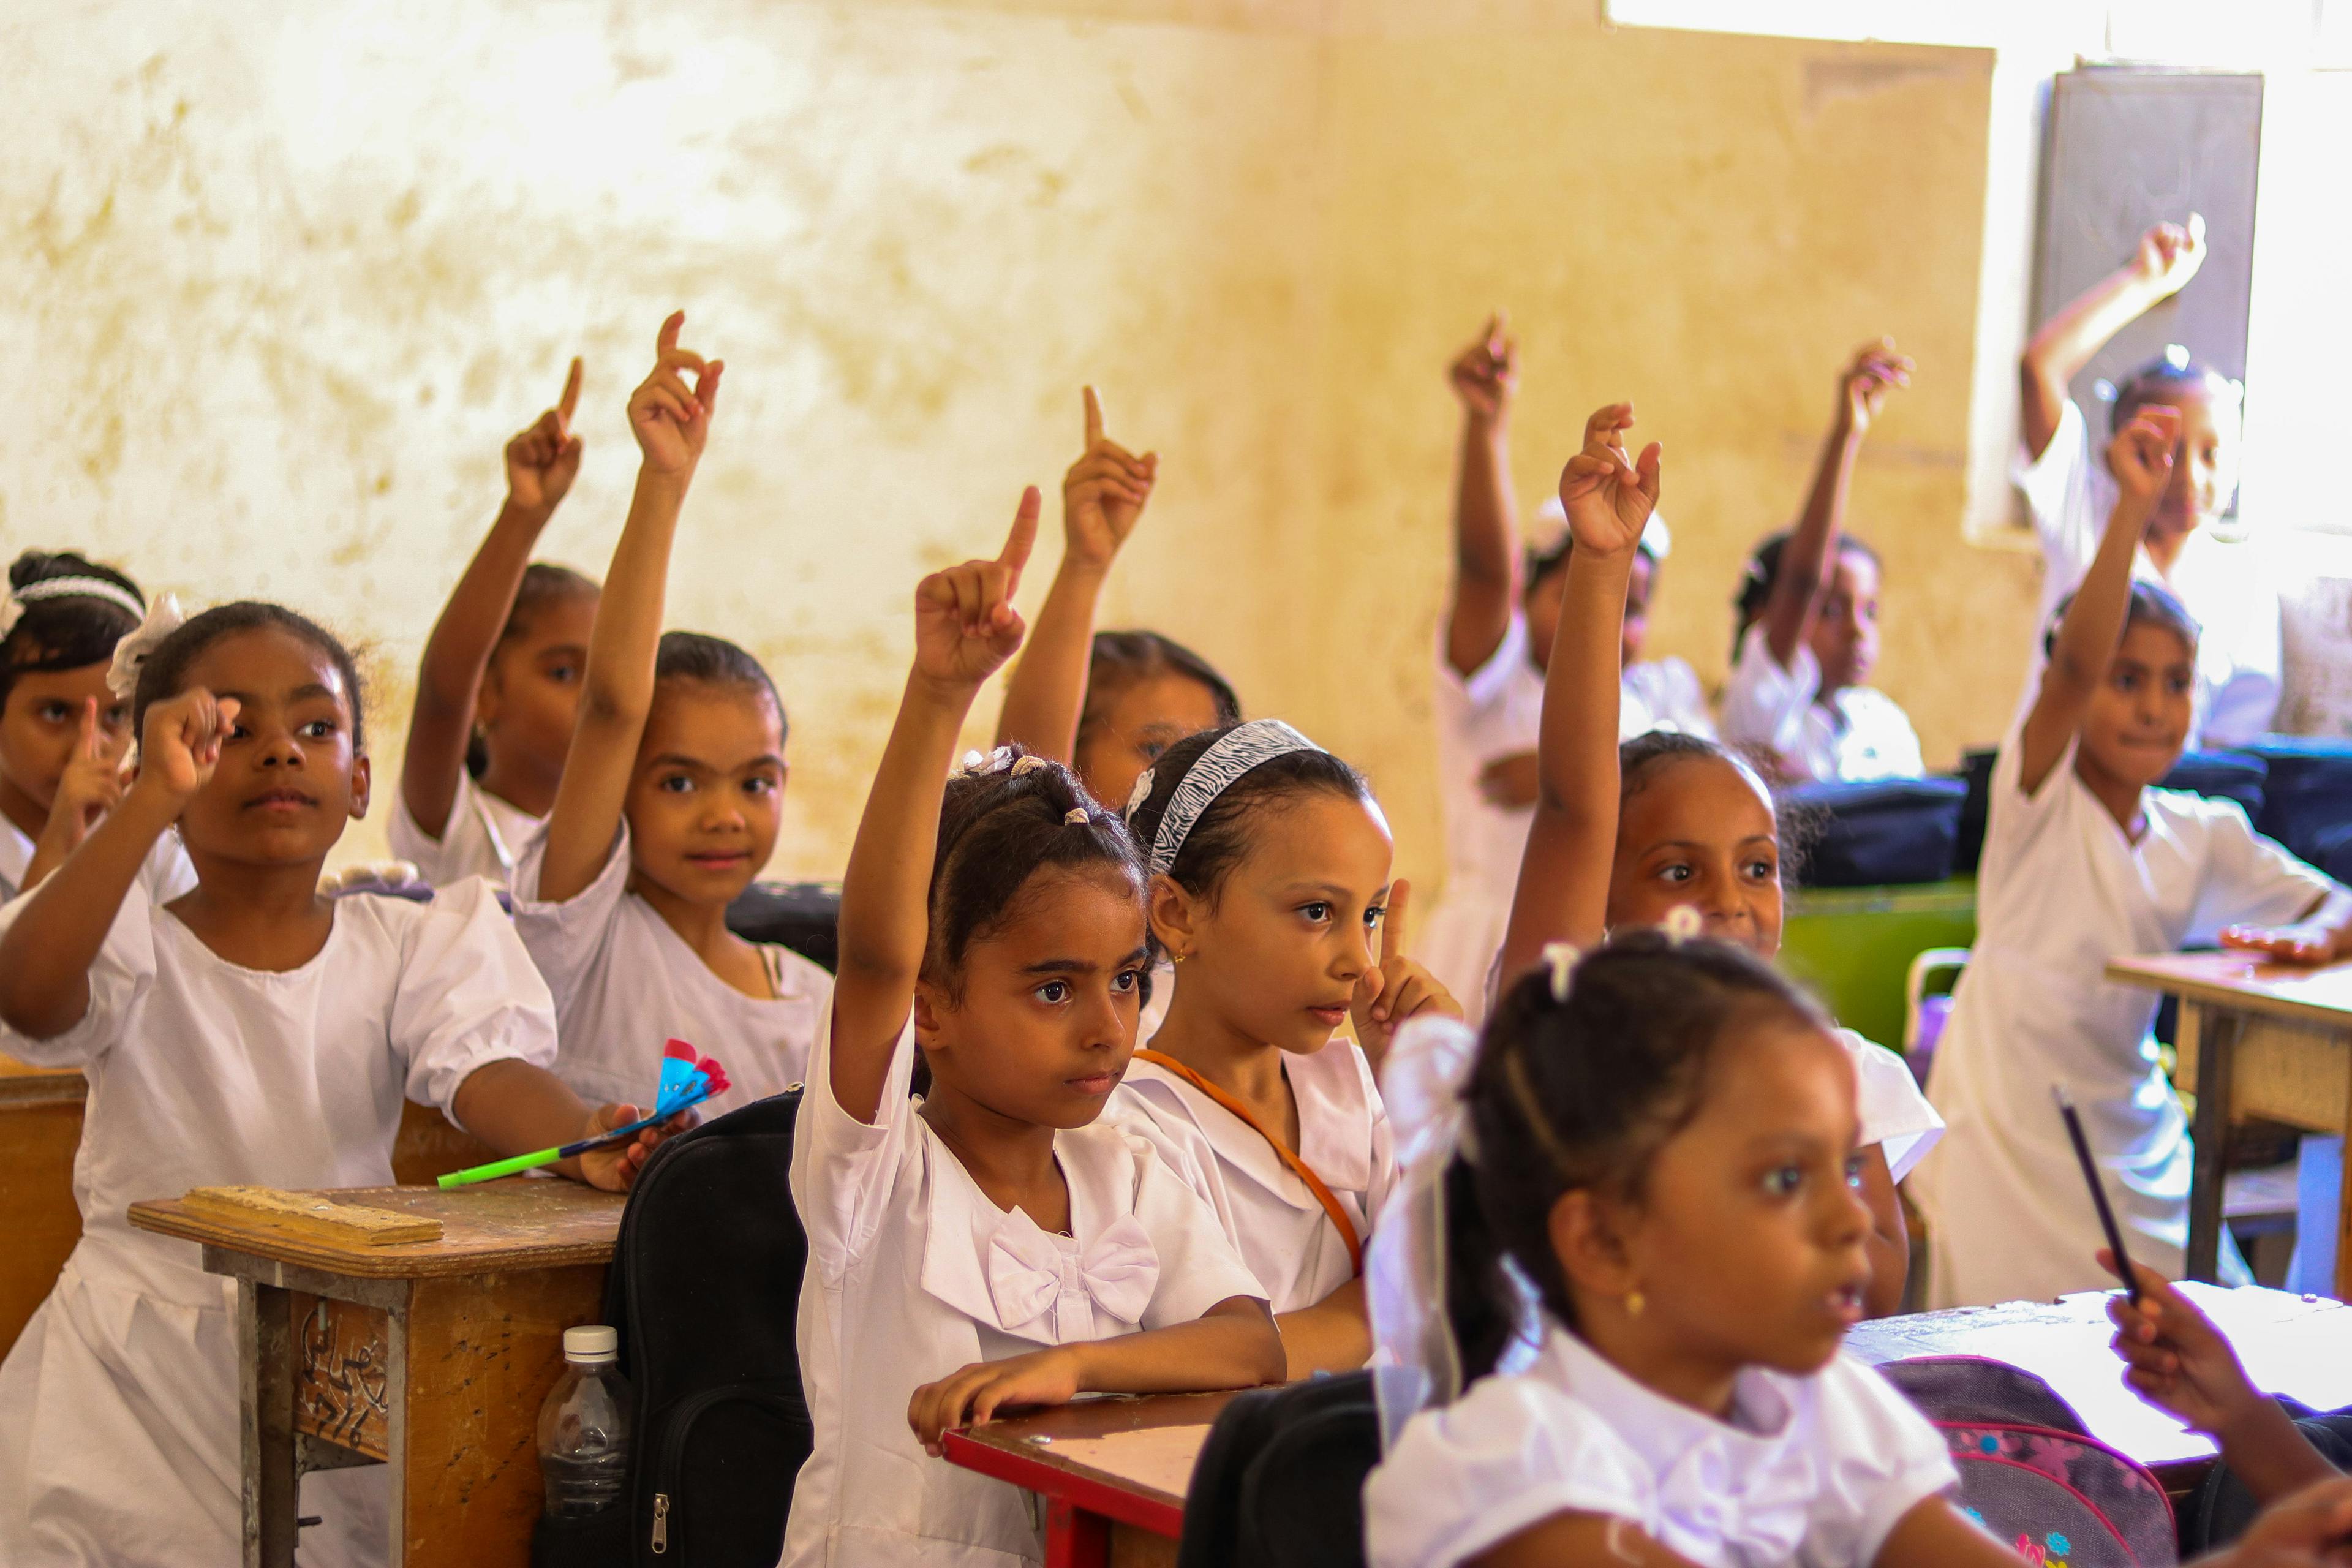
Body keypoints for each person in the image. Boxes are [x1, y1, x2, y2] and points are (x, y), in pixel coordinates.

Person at [0, 598, 677, 1568]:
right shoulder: (129, 936)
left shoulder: (407, 940)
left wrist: (580, 1136)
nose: (280, 751)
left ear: (359, 781)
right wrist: (148, 800)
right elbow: (28, 998)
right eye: (231, 729)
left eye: (315, 729)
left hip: (328, 1355)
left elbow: (483, 1075)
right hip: (133, 1372)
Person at [786, 486, 1281, 1566]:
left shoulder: (1131, 1166)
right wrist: (937, 695)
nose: (1108, 1027)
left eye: (1126, 981)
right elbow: (875, 950)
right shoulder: (873, 1177)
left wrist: (1073, 1369)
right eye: (1054, 990)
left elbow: (1250, 1344)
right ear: (936, 1005)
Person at [1494, 403, 1940, 1317]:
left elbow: (1883, 1291)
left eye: (1757, 868)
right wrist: (1602, 565)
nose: (1729, 902)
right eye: (1678, 872)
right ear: (1603, 899)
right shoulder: (1573, 1037)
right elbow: (1575, 806)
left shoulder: (1840, 1072)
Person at [1363, 936, 1997, 1568]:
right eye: (1786, 1178)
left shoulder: (1814, 1407)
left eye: (1847, 1167)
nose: (1852, 1220)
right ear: (1605, 1242)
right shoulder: (1514, 1467)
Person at [1909, 405, 2352, 1309]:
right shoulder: (2038, 798)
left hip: (2131, 1120)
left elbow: (2335, 900)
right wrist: (2128, 508)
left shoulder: (2203, 833)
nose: (2153, 706)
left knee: (2197, 1319)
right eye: (2126, 679)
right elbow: (2067, 672)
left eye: (2176, 683)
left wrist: (2322, 936)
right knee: (2008, 1342)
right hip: (2008, 1114)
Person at [511, 314, 831, 1117]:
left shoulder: (814, 1000)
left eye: (756, 784)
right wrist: (664, 483)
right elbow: (616, 706)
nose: (725, 816)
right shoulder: (581, 940)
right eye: (681, 782)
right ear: (621, 788)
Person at [1110, 719, 1458, 1377]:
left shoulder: (1360, 1084)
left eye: (1371, 915)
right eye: (1317, 913)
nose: (1358, 959)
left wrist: (1426, 1101)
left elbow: (1464, 1290)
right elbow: (1220, 1365)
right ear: (1177, 914)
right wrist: (1383, 1302)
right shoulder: (1130, 1129)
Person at [1423, 317, 1700, 1019]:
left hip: (1591, 951)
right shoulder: (1494, 676)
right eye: (1570, 590)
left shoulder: (1647, 704)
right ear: (1528, 593)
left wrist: (1566, 772)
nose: (1610, 623)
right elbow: (1484, 570)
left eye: (1632, 608)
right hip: (1484, 940)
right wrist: (1487, 428)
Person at [993, 388, 1240, 1039]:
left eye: (1211, 756)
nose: (1191, 779)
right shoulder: (1036, 894)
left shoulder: (1215, 941)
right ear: (1071, 761)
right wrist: (1085, 563)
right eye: (1157, 751)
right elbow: (1025, 767)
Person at [2018, 213, 2278, 747]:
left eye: (2211, 454)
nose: (2187, 477)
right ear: (2118, 454)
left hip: (2175, 805)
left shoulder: (2242, 581)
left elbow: (2235, 738)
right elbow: (2040, 367)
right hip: (2059, 784)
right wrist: (2146, 281)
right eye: (2162, 451)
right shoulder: (2085, 517)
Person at [393, 360, 601, 887]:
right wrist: (525, 512)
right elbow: (445, 685)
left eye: (605, 678)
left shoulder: (619, 846)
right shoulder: (456, 829)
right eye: (562, 673)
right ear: (487, 694)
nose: (594, 699)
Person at [1721, 341, 1921, 783]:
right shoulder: (1762, 706)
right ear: (1765, 620)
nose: (1857, 631)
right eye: (1829, 610)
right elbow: (1801, 582)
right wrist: (1846, 436)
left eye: (1870, 611)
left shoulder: (1886, 727)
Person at [0, 551, 194, 903]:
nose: (88, 748)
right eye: (56, 713)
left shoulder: (150, 842)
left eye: (116, 716)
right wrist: (56, 846)